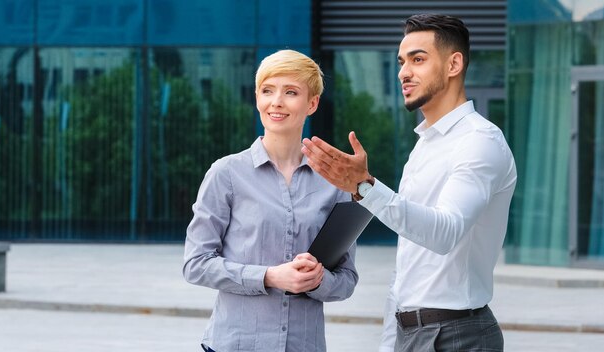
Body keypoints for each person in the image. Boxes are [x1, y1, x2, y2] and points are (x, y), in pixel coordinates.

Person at [301, 14, 517, 351]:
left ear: (453, 64)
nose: (404, 72)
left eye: (418, 59)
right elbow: (410, 263)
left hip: (458, 335)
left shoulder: (480, 141)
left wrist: (365, 188)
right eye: (401, 61)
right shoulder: (425, 144)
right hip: (411, 331)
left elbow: (445, 233)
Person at [183, 49, 358, 352]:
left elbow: (347, 279)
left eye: (291, 92)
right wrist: (269, 277)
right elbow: (195, 264)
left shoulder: (333, 182)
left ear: (312, 103)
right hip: (233, 345)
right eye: (267, 90)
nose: (276, 101)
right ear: (257, 98)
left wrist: (318, 281)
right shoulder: (226, 173)